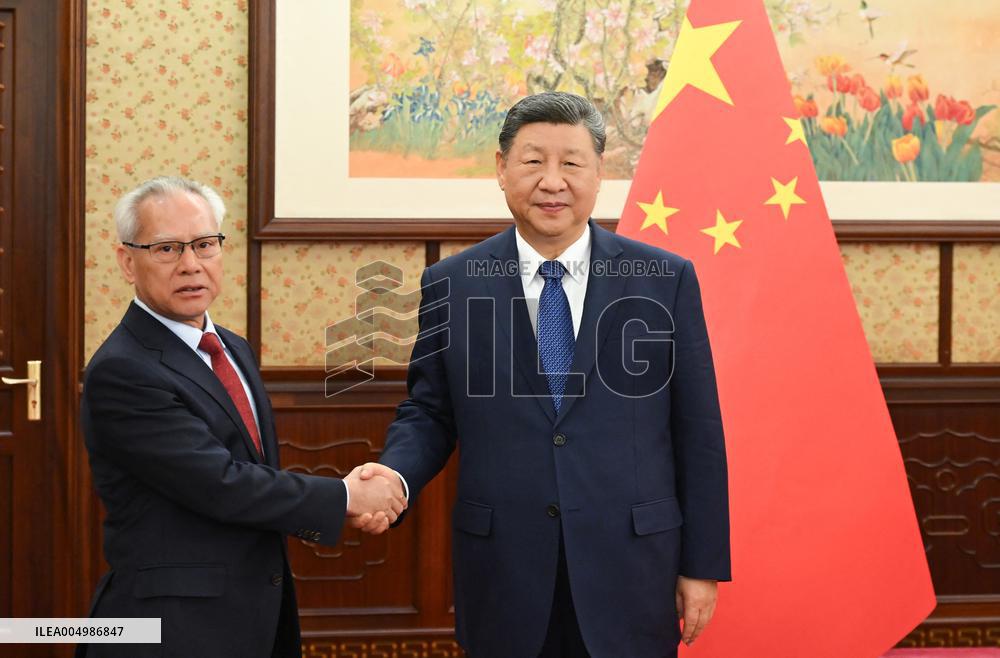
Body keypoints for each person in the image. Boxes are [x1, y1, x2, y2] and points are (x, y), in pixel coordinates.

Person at [374, 92, 731, 657]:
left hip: (633, 566)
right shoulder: (452, 282)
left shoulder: (665, 279)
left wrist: (702, 565)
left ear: (599, 174)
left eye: (571, 163)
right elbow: (430, 411)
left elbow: (699, 431)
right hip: (505, 566)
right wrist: (395, 476)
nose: (552, 181)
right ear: (500, 168)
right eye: (533, 160)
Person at [77, 177, 406, 658]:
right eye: (167, 248)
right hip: (173, 628)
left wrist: (346, 500)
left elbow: (256, 475)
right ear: (128, 261)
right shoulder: (122, 370)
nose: (191, 264)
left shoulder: (232, 347)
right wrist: (345, 497)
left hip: (254, 608)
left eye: (205, 244)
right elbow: (221, 483)